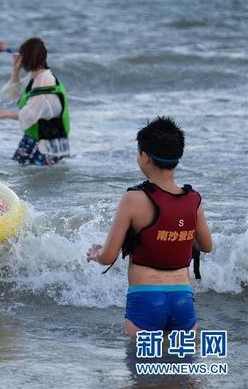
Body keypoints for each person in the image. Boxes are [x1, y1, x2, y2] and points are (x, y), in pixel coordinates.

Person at [87, 117, 213, 337]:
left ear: (144, 157)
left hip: (145, 297)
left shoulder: (133, 199)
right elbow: (206, 245)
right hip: (183, 297)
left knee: (142, 368)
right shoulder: (193, 199)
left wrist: (95, 253)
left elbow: (108, 257)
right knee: (182, 369)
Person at [0, 37, 70, 166]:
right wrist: (15, 70)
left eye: (22, 55)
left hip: (46, 143)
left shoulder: (44, 81)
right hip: (36, 138)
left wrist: (5, 114)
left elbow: (29, 115)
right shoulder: (36, 76)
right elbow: (13, 93)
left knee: (37, 181)